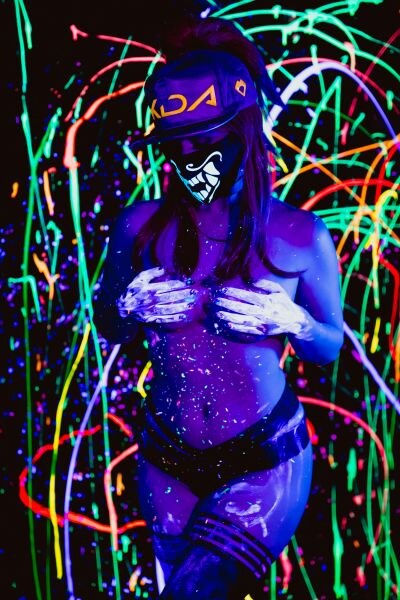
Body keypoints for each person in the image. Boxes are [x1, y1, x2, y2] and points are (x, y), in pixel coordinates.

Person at [94, 14, 344, 600]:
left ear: (245, 131)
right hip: (164, 458)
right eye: (176, 143)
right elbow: (107, 322)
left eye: (205, 140)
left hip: (264, 459)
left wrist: (295, 321)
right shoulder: (138, 227)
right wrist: (128, 306)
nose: (189, 156)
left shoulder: (300, 235)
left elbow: (330, 346)